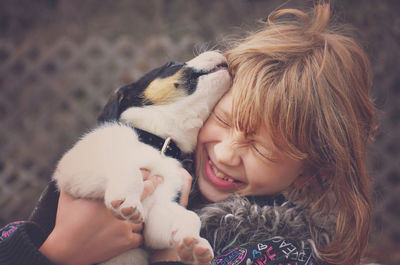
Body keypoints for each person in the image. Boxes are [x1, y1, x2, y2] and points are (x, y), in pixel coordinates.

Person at [0, 2, 376, 265]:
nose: (227, 153)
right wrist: (54, 250)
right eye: (226, 121)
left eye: (263, 147)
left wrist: (167, 256)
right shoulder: (141, 174)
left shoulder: (279, 254)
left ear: (309, 171)